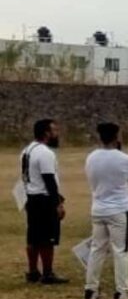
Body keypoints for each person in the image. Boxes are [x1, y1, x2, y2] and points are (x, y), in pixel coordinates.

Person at [83, 122, 128, 299]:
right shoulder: (125, 159)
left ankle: (90, 290)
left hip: (98, 208)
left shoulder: (91, 157)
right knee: (121, 251)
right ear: (117, 137)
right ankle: (122, 292)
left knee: (97, 249)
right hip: (119, 209)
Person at [19, 119, 68, 284]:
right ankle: (48, 273)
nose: (57, 134)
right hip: (44, 199)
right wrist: (58, 204)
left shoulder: (27, 150)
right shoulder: (45, 153)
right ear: (47, 133)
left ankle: (33, 271)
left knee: (33, 237)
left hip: (31, 197)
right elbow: (49, 180)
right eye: (54, 130)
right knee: (47, 239)